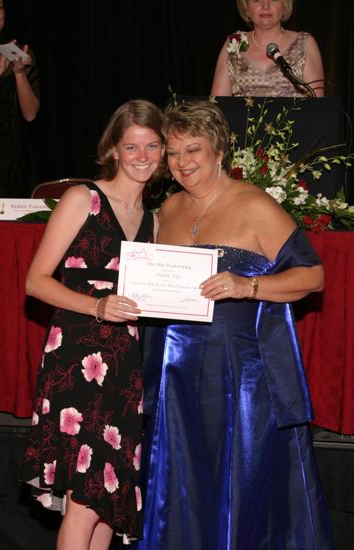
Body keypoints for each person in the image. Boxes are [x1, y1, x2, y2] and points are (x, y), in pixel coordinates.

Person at [133, 100, 334, 549]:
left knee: (236, 482)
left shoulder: (254, 204)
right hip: (175, 377)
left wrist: (249, 287)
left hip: (240, 377)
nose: (182, 162)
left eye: (194, 150)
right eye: (173, 152)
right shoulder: (166, 209)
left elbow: (313, 276)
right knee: (181, 486)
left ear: (220, 150)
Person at [20, 99, 166, 550]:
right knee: (85, 499)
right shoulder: (83, 198)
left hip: (125, 366)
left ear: (164, 150)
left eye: (152, 145)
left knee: (109, 502)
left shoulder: (154, 219)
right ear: (114, 150)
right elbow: (35, 282)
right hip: (78, 358)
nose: (142, 156)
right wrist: (98, 307)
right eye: (131, 146)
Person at [211, 0, 324, 97]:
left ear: (284, 6)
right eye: (256, 0)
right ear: (246, 8)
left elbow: (317, 108)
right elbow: (217, 108)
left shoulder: (304, 43)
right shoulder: (234, 43)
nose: (265, 6)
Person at [0, 0, 40, 198]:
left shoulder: (16, 50)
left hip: (11, 158)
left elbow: (30, 114)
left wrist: (19, 73)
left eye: (0, 7)